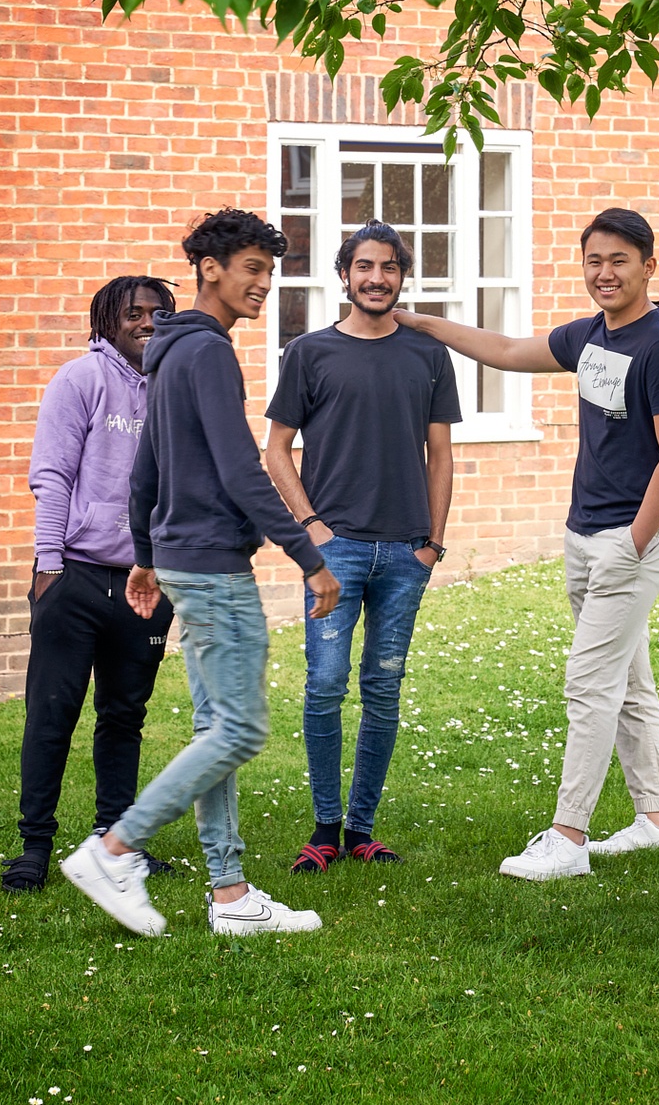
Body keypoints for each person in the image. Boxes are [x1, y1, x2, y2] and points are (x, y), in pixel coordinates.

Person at [397, 208, 659, 881]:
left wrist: (634, 540)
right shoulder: (591, 337)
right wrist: (423, 323)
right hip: (583, 532)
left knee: (588, 682)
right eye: (594, 259)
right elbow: (508, 351)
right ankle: (657, 822)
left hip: (636, 538)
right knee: (625, 676)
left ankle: (568, 836)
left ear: (649, 266)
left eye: (619, 259)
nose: (605, 272)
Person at [59, 210, 341, 939]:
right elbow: (242, 470)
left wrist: (148, 554)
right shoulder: (207, 351)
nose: (262, 284)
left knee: (218, 724)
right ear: (210, 268)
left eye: (268, 272)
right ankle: (114, 849)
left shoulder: (170, 349)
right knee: (240, 729)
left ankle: (231, 893)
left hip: (181, 558)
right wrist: (311, 558)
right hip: (214, 564)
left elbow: (148, 465)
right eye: (250, 268)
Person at [264, 221, 460, 872]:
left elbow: (441, 453)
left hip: (406, 551)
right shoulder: (310, 353)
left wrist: (432, 542)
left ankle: (361, 828)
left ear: (404, 277)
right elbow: (276, 450)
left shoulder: (428, 354)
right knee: (324, 685)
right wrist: (313, 527)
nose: (378, 278)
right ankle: (324, 828)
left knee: (383, 687)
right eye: (364, 266)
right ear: (344, 274)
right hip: (334, 550)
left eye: (390, 267)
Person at [4, 275, 178, 894]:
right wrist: (48, 567)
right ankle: (34, 848)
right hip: (73, 577)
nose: (148, 322)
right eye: (133, 313)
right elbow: (51, 476)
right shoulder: (80, 380)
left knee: (123, 717)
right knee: (51, 716)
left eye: (160, 312)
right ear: (108, 319)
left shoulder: (174, 389)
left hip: (147, 586)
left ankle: (114, 843)